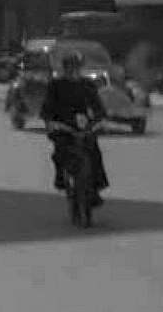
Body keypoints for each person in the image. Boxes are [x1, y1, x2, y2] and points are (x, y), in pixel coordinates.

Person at [40, 51, 110, 206]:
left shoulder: (87, 85)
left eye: (76, 66)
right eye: (70, 66)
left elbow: (97, 106)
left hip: (83, 126)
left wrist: (100, 120)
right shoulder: (56, 85)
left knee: (94, 152)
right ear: (65, 68)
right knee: (60, 151)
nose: (73, 70)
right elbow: (47, 108)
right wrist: (50, 122)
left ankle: (96, 188)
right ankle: (61, 177)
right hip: (63, 126)